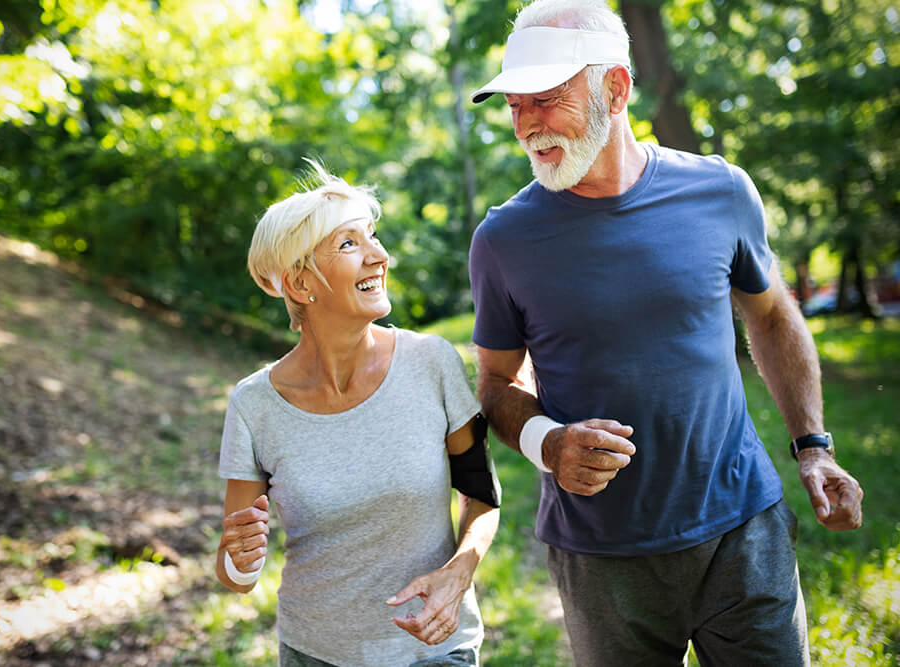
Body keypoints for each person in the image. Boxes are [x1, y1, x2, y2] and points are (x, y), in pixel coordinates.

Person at [467, 1, 864, 665]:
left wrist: (813, 445)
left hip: (743, 527)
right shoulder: (502, 240)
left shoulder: (721, 190)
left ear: (616, 89)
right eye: (515, 105)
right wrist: (548, 442)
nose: (527, 126)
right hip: (601, 556)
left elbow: (769, 315)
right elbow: (496, 380)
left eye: (546, 100)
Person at [215, 161, 501, 667]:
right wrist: (239, 561)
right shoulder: (253, 404)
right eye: (350, 245)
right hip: (315, 653)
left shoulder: (432, 362)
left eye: (373, 237)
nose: (380, 256)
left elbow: (481, 493)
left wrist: (459, 573)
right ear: (301, 284)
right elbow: (234, 568)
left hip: (433, 651)